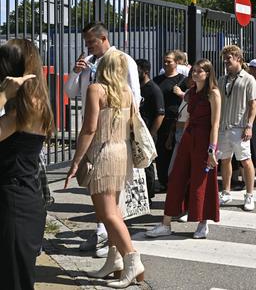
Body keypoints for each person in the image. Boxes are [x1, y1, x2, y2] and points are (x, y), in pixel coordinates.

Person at [64, 50, 145, 288]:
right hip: (122, 152)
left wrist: (76, 160)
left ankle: (132, 259)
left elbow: (89, 129)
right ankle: (114, 259)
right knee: (114, 211)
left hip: (103, 153)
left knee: (107, 214)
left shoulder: (96, 90)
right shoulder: (126, 91)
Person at [145, 59, 221, 239]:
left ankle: (203, 222)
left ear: (208, 73)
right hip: (188, 138)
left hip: (204, 141)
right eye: (193, 70)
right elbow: (186, 117)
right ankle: (166, 223)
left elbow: (215, 124)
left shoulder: (213, 93)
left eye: (199, 71)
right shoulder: (192, 92)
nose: (195, 74)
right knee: (176, 178)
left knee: (201, 181)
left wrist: (212, 150)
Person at [0, 39, 54, 290]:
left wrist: (3, 94)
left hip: (15, 204)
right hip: (16, 198)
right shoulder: (23, 102)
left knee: (15, 281)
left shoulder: (28, 105)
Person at [217, 45, 256, 211]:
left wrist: (249, 125)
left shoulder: (248, 79)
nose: (226, 62)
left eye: (229, 58)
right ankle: (226, 192)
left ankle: (249, 195)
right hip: (223, 126)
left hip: (240, 127)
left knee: (245, 160)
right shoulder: (222, 80)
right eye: (225, 59)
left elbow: (253, 103)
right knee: (225, 159)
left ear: (238, 59)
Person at [153, 51, 188, 191]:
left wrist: (180, 94)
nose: (166, 64)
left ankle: (175, 181)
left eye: (169, 61)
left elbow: (192, 98)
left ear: (177, 62)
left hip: (177, 121)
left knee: (176, 152)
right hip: (160, 119)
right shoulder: (157, 80)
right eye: (165, 61)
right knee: (161, 152)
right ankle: (163, 181)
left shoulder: (184, 80)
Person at [135, 59, 165, 203]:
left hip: (147, 133)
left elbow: (160, 114)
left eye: (137, 70)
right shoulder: (135, 87)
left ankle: (149, 195)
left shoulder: (153, 89)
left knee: (147, 165)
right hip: (136, 132)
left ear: (145, 71)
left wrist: (151, 133)